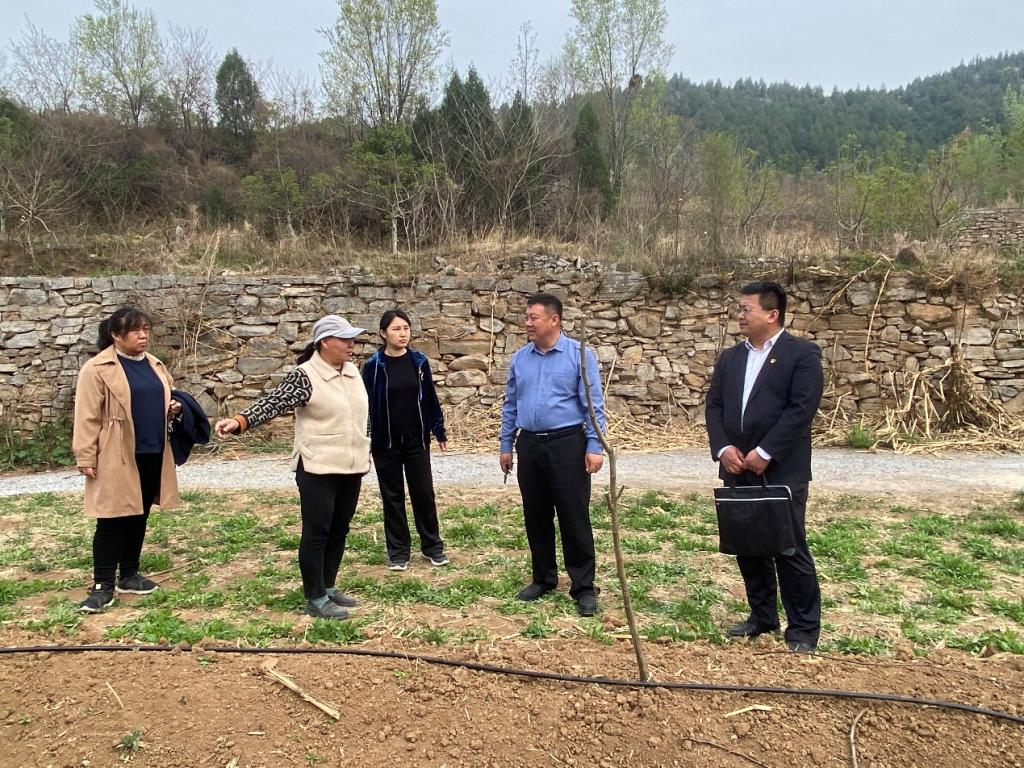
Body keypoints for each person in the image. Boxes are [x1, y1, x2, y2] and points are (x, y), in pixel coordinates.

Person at [214, 315, 370, 620]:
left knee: (339, 529)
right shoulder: (306, 375)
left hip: (351, 465)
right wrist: (240, 421)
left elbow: (361, 415)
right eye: (345, 339)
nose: (352, 344)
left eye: (353, 339)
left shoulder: (353, 372)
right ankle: (315, 597)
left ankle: (328, 586)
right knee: (318, 532)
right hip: (317, 466)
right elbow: (274, 401)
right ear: (325, 342)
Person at [705, 280, 824, 652]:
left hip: (781, 468)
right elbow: (715, 407)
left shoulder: (801, 354)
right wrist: (724, 447)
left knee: (789, 548)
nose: (739, 315)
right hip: (737, 466)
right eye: (739, 309)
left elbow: (801, 409)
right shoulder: (731, 358)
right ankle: (762, 616)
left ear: (772, 314)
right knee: (749, 544)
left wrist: (766, 451)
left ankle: (803, 629)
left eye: (746, 309)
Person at [499, 293, 606, 617]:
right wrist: (506, 444)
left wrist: (594, 446)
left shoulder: (579, 355)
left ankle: (583, 587)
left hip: (567, 445)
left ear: (554, 320)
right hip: (529, 445)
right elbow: (511, 404)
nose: (527, 322)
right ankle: (543, 578)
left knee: (574, 516)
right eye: (527, 317)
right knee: (536, 515)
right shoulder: (520, 358)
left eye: (533, 317)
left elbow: (593, 405)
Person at [72, 307, 182, 613]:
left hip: (152, 451)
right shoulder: (97, 369)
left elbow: (163, 396)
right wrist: (85, 455)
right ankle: (102, 585)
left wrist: (173, 407)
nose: (143, 335)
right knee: (111, 519)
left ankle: (129, 574)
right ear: (115, 335)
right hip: (114, 453)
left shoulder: (155, 365)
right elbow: (87, 417)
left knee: (139, 513)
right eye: (135, 331)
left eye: (146, 329)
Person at [362, 309, 449, 571]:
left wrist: (439, 430)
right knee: (393, 496)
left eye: (406, 328)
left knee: (424, 493)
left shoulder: (419, 362)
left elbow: (430, 398)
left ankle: (432, 547)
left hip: (416, 440)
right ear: (383, 333)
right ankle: (398, 552)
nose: (402, 333)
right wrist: (363, 440)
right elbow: (364, 405)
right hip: (385, 442)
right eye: (396, 329)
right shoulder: (373, 366)